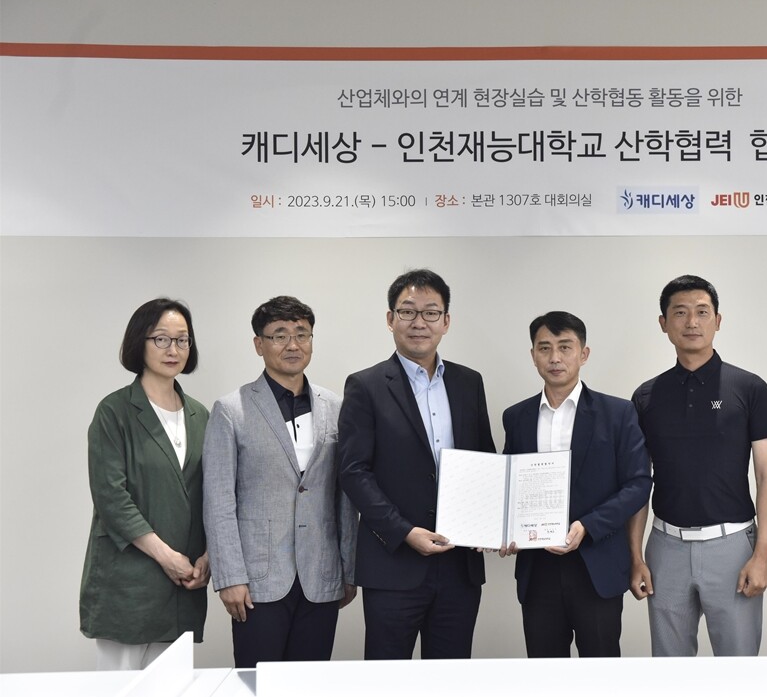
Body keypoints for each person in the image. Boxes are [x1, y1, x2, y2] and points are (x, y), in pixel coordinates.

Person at [338, 268, 495, 659]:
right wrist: (405, 532)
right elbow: (354, 472)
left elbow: (485, 461)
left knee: (451, 677)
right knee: (388, 679)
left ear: (446, 321)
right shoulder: (366, 385)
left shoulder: (469, 382)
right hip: (394, 564)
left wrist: (491, 524)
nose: (419, 322)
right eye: (407, 312)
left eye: (430, 312)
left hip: (459, 564)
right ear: (390, 319)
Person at [628, 274, 767, 657]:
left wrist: (762, 555)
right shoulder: (646, 396)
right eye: (680, 313)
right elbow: (638, 482)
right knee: (671, 671)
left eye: (702, 312)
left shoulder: (750, 389)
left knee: (738, 669)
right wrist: (636, 556)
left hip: (734, 547)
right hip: (665, 548)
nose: (692, 322)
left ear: (718, 320)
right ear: (663, 323)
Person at [202, 296, 357, 668]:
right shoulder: (231, 410)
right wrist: (229, 576)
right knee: (259, 684)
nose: (293, 344)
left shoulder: (335, 407)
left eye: (302, 334)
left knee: (310, 685)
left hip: (321, 575)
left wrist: (348, 569)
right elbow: (218, 501)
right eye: (280, 335)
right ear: (259, 344)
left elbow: (345, 498)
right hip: (258, 580)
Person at [500, 311, 651, 657]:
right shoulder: (517, 417)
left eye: (565, 347)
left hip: (597, 566)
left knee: (600, 674)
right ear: (533, 355)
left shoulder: (617, 413)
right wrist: (504, 528)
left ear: (583, 354)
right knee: (545, 672)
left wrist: (588, 526)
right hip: (537, 570)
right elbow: (510, 483)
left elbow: (638, 484)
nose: (555, 358)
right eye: (545, 348)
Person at [80, 298, 210, 670]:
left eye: (182, 340)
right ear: (140, 342)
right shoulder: (114, 411)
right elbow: (111, 497)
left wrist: (208, 558)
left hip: (184, 584)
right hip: (129, 581)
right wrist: (167, 557)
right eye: (161, 339)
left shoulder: (201, 415)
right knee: (120, 689)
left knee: (174, 688)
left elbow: (213, 494)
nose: (173, 350)